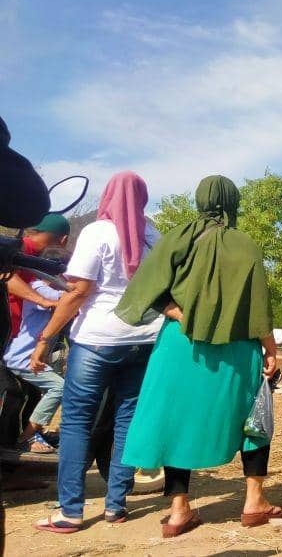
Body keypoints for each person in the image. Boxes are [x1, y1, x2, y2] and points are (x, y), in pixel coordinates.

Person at [115, 175, 280, 538]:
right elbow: (258, 307)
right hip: (236, 347)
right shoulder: (245, 245)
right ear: (233, 202)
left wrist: (176, 312)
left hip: (180, 346)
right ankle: (254, 502)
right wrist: (270, 347)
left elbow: (145, 288)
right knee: (253, 419)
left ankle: (178, 512)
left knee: (175, 421)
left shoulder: (176, 237)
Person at [31, 171, 162, 533]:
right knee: (126, 421)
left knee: (76, 422)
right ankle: (116, 505)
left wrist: (45, 338)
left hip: (97, 339)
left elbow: (78, 291)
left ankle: (70, 511)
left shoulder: (97, 232)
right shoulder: (154, 235)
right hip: (145, 339)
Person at [3, 246, 73, 453]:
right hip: (22, 358)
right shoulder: (39, 289)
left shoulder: (44, 288)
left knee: (40, 395)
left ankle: (34, 432)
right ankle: (28, 437)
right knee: (59, 388)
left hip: (28, 356)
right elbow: (67, 299)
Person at [5, 213, 71, 339]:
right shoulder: (22, 248)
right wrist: (43, 301)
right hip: (7, 324)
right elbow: (6, 276)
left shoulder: (41, 255)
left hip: (13, 329)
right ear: (64, 239)